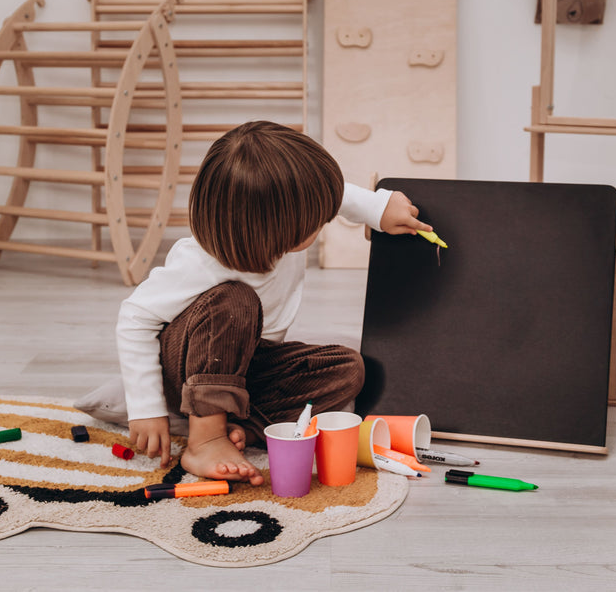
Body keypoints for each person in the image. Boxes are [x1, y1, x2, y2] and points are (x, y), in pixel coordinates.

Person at [116, 121, 432, 483]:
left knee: (349, 369)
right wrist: (145, 408)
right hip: (190, 372)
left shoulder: (278, 223)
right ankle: (205, 438)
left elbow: (332, 194)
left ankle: (247, 428)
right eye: (319, 218)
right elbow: (134, 318)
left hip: (245, 368)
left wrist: (378, 208)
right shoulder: (199, 264)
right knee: (235, 302)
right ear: (279, 225)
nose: (326, 218)